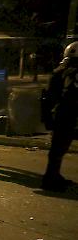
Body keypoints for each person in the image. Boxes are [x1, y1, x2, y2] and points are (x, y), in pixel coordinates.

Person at [40, 42, 78, 191]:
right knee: (59, 148)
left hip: (58, 114)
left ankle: (53, 175)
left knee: (57, 148)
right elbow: (71, 93)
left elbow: (48, 96)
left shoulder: (59, 70)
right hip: (67, 114)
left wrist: (47, 117)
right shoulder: (72, 71)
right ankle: (50, 178)